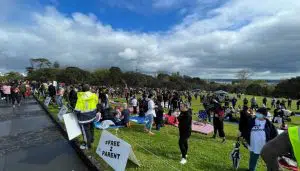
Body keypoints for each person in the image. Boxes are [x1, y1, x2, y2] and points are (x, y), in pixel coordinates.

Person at [74, 84, 98, 150]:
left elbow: (77, 109)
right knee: (91, 128)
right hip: (92, 116)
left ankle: (87, 145)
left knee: (85, 132)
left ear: (82, 89)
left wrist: (74, 112)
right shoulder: (94, 95)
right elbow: (96, 103)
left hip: (84, 118)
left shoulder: (81, 97)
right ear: (89, 89)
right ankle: (91, 140)